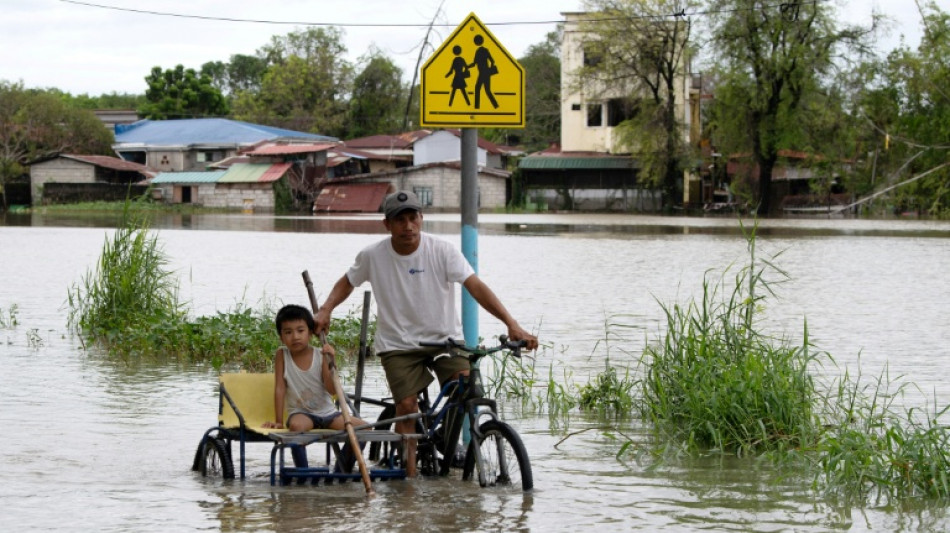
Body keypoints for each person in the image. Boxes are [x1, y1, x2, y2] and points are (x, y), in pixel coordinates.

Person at [314, 190, 538, 476]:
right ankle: (409, 480)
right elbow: (347, 282)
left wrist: (512, 323)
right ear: (387, 225)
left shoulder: (442, 251)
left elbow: (476, 287)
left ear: (421, 219)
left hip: (444, 340)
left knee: (467, 387)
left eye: (413, 218)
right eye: (400, 220)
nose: (408, 226)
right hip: (398, 345)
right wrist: (325, 309)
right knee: (406, 406)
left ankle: (446, 439)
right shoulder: (373, 255)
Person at [263, 304, 366, 471]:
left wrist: (331, 361)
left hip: (328, 414)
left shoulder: (320, 354)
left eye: (300, 330)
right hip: (302, 414)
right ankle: (303, 472)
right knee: (296, 427)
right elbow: (280, 388)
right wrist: (279, 422)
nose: (295, 337)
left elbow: (332, 390)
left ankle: (342, 471)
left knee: (365, 428)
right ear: (281, 337)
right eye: (288, 332)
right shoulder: (282, 355)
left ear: (310, 333)